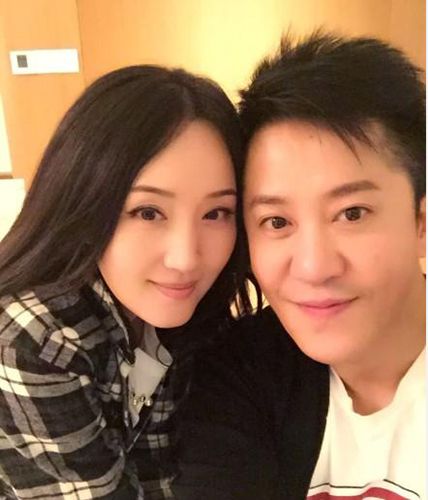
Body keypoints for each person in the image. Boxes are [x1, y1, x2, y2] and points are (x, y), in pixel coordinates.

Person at [172, 31, 426, 500]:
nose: (313, 267)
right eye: (277, 221)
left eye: (352, 213)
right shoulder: (235, 376)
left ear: (421, 221)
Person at [0, 65, 252, 499]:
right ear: (85, 202)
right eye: (148, 212)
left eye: (216, 213)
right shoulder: (35, 338)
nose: (185, 258)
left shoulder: (167, 320)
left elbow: (159, 475)